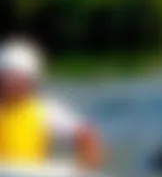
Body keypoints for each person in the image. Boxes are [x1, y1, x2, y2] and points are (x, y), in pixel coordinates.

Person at [0, 37, 104, 168]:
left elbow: (87, 137)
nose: (11, 84)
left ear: (31, 80)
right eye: (7, 77)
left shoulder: (46, 110)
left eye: (18, 78)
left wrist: (84, 169)